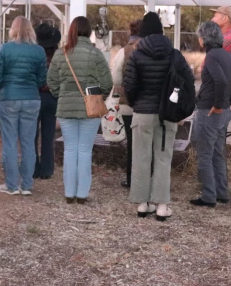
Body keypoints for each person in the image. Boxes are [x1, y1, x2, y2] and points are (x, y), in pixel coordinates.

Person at [123, 12, 194, 221]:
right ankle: (162, 206)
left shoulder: (136, 55)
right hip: (167, 114)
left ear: (143, 33)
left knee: (141, 158)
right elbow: (188, 82)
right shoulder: (174, 55)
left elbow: (129, 86)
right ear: (163, 32)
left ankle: (143, 204)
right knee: (163, 158)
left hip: (142, 113)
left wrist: (138, 104)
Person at [47, 16, 112, 204]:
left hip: (66, 108)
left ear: (71, 31)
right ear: (89, 32)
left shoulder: (61, 54)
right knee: (84, 150)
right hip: (90, 110)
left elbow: (51, 81)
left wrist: (62, 95)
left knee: (69, 150)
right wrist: (97, 97)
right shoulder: (96, 54)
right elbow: (107, 82)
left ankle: (69, 193)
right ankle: (82, 193)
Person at [190, 21, 231, 208]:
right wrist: (230, 103)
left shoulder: (212, 57)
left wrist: (220, 105)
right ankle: (221, 192)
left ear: (204, 39)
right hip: (221, 114)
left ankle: (208, 196)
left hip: (209, 111)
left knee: (204, 154)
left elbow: (220, 81)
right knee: (217, 154)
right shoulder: (226, 56)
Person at [0, 17, 48, 195]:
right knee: (28, 143)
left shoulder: (5, 49)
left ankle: (11, 185)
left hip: (8, 97)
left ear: (13, 30)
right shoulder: (39, 51)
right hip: (31, 98)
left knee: (9, 142)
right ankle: (27, 185)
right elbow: (42, 79)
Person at [111, 19, 142, 188]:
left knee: (132, 143)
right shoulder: (154, 49)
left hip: (128, 103)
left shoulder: (125, 51)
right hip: (149, 105)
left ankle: (131, 179)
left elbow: (115, 78)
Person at [34, 22, 62, 180]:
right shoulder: (58, 56)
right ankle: (47, 168)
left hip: (34, 95)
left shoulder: (33, 54)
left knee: (31, 135)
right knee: (48, 134)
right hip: (52, 97)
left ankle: (33, 167)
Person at [211, 6, 231, 70]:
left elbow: (209, 66)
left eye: (215, 16)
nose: (212, 19)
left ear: (225, 18)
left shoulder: (226, 40)